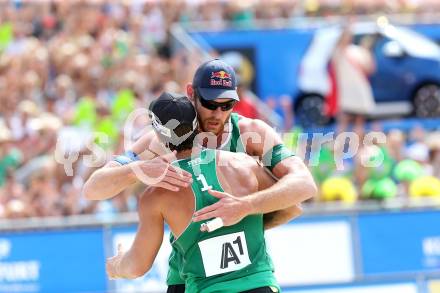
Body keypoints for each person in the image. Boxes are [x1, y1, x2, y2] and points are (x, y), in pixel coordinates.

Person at [84, 59, 317, 292]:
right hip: (186, 275)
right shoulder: (160, 141)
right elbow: (93, 189)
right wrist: (136, 169)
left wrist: (242, 210)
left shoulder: (250, 133)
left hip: (241, 270)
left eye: (227, 105)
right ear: (190, 94)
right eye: (210, 103)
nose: (218, 113)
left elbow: (304, 185)